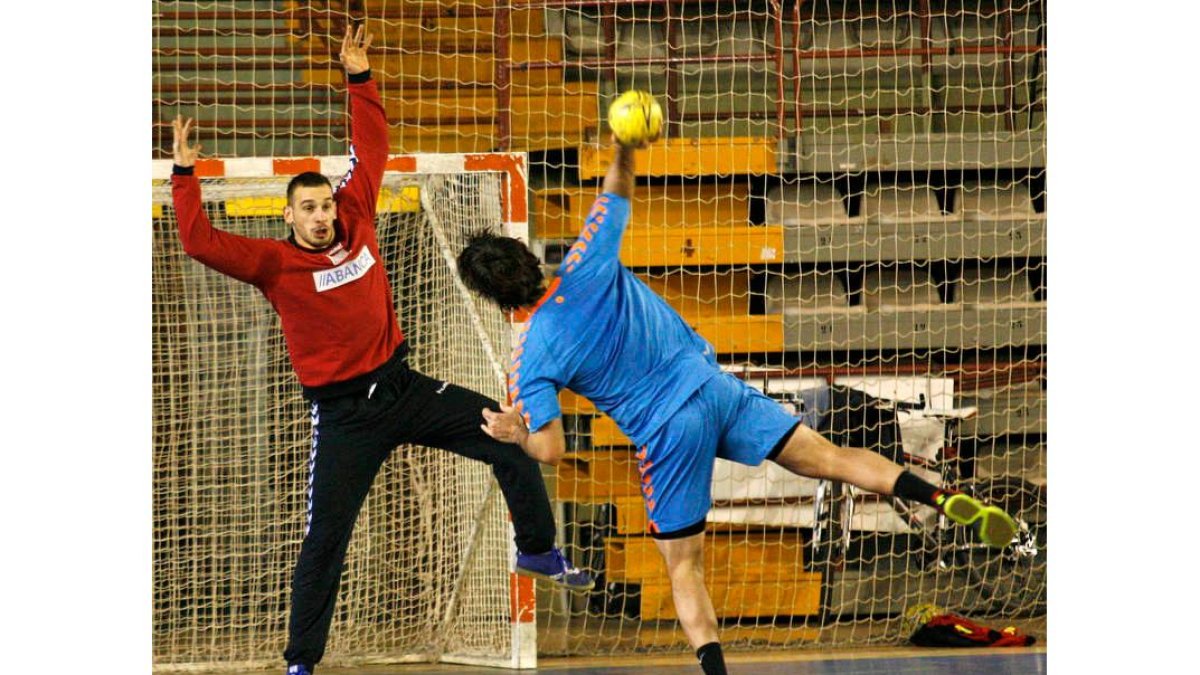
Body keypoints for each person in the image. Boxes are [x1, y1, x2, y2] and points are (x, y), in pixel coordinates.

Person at [456, 133, 1018, 675]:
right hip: (716, 386)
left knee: (683, 567)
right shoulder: (586, 259)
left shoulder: (529, 358)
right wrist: (625, 143)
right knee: (834, 458)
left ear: (491, 298)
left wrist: (516, 435)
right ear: (527, 258)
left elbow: (550, 451)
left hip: (668, 431)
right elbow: (617, 184)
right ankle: (939, 496)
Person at [168, 24, 592, 675]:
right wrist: (184, 173)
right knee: (325, 543)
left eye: (323, 206)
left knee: (507, 433)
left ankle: (536, 549)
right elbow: (197, 241)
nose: (320, 216)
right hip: (346, 419)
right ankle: (301, 660)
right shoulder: (275, 265)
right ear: (288, 216)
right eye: (307, 208)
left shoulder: (357, 211)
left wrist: (359, 78)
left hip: (407, 389)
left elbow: (372, 146)